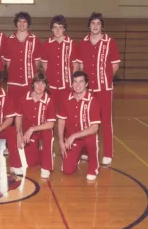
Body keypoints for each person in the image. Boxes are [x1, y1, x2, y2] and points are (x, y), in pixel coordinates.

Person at [77, 12, 120, 165]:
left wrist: (105, 79)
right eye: (93, 23)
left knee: (106, 121)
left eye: (98, 24)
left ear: (102, 26)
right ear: (89, 25)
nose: (95, 26)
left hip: (104, 89)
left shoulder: (110, 42)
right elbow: (81, 66)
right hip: (88, 90)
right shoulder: (83, 43)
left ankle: (108, 152)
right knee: (87, 121)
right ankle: (86, 151)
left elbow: (115, 66)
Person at [57, 71, 101, 181]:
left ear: (86, 84)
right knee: (67, 171)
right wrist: (61, 142)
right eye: (75, 82)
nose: (77, 85)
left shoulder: (93, 101)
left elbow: (94, 128)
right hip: (72, 140)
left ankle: (94, 167)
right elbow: (61, 121)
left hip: (87, 136)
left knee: (91, 139)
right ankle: (75, 157)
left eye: (81, 82)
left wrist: (73, 136)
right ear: (71, 84)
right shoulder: (66, 99)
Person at [12, 72, 56, 178]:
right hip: (29, 134)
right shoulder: (23, 98)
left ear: (46, 86)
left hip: (43, 130)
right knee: (31, 163)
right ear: (33, 84)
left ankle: (46, 166)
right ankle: (45, 153)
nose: (40, 87)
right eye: (37, 83)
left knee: (47, 134)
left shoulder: (50, 100)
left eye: (43, 84)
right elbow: (18, 116)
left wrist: (32, 129)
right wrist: (18, 133)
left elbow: (51, 124)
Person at [3, 11, 41, 107]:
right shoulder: (9, 40)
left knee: (28, 108)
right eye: (19, 21)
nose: (22, 24)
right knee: (13, 108)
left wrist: (29, 75)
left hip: (29, 81)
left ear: (28, 24)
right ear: (16, 23)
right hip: (13, 82)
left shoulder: (34, 40)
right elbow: (8, 63)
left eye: (24, 22)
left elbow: (36, 62)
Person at [41, 15, 78, 105]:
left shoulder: (72, 44)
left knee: (66, 114)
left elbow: (76, 66)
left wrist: (73, 83)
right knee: (50, 114)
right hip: (51, 86)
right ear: (52, 29)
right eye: (55, 27)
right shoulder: (46, 44)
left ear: (64, 29)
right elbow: (45, 65)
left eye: (60, 27)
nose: (57, 30)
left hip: (67, 86)